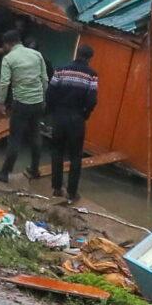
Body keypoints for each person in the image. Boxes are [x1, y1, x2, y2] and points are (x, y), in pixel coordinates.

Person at [0, 29, 48, 183]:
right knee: (35, 134)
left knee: (15, 138)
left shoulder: (9, 58)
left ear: (8, 44)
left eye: (4, 45)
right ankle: (35, 169)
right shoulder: (36, 55)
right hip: (37, 102)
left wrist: (1, 103)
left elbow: (4, 83)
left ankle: (4, 173)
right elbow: (44, 79)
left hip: (21, 103)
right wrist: (43, 98)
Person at [45, 43, 100, 200]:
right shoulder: (92, 75)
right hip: (77, 118)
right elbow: (92, 100)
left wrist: (53, 110)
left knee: (57, 152)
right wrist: (85, 114)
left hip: (60, 116)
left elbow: (50, 92)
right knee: (76, 156)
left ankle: (56, 188)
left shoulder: (61, 69)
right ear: (89, 58)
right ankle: (72, 192)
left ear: (77, 53)